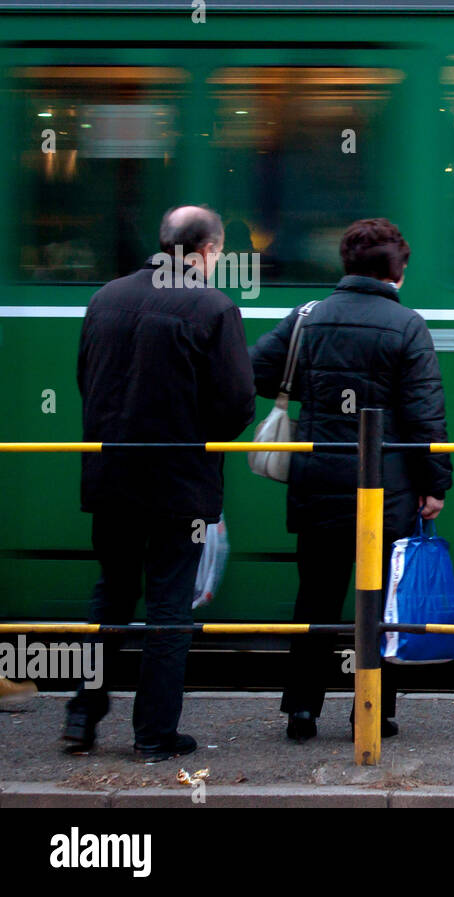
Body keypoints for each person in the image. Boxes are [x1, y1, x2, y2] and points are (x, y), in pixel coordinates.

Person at [250, 218, 452, 743]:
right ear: (397, 270)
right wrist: (436, 485)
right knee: (379, 601)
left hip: (318, 482)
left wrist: (313, 394)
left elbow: (255, 371)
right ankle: (374, 712)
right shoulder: (408, 326)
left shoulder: (308, 317)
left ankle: (301, 711)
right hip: (385, 491)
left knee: (315, 597)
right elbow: (425, 416)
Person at [66, 205, 256, 762]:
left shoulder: (106, 298)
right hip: (179, 486)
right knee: (170, 606)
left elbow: (86, 379)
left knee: (111, 596)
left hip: (111, 477)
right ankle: (153, 736)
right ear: (206, 252)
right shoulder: (214, 307)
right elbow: (236, 404)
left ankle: (81, 718)